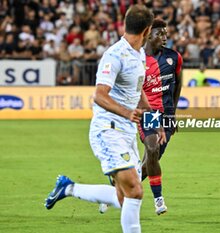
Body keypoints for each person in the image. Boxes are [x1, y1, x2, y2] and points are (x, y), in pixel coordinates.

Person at [45, 5, 156, 233]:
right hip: (108, 129)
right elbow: (99, 95)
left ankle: (68, 188)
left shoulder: (139, 54)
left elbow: (137, 91)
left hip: (127, 132)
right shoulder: (114, 55)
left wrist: (155, 121)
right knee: (135, 191)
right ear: (147, 30)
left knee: (124, 198)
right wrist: (127, 113)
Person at [139, 18, 183, 215]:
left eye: (166, 33)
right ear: (149, 34)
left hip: (166, 114)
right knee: (152, 147)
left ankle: (116, 188)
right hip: (148, 112)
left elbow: (177, 86)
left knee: (151, 160)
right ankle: (158, 200)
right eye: (160, 33)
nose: (164, 37)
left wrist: (172, 115)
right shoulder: (138, 60)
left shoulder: (174, 57)